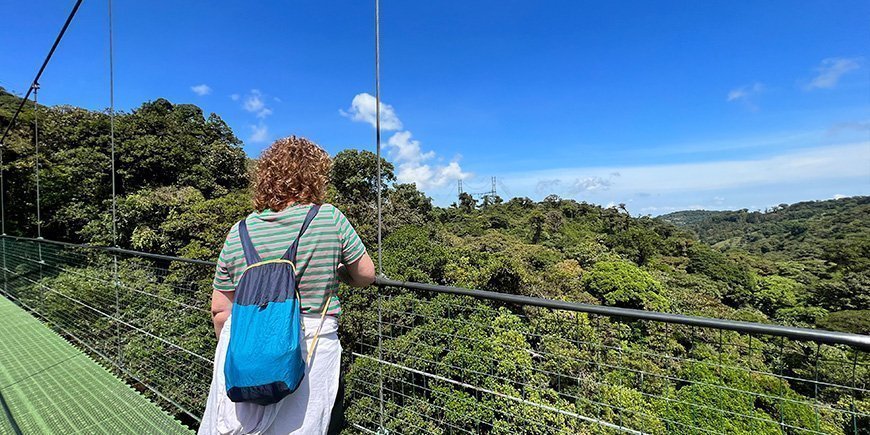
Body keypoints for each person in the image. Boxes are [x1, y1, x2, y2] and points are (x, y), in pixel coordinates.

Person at [199, 136, 375, 435]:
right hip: (312, 343)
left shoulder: (238, 231)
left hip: (244, 342)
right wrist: (340, 271)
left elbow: (220, 310)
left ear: (265, 178)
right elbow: (366, 275)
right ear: (315, 176)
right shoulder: (328, 218)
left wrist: (248, 349)